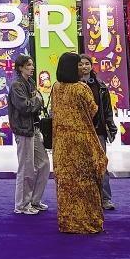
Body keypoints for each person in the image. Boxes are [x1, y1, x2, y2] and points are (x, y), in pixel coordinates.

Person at [51, 52, 107, 233]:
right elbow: (93, 110)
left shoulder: (56, 87)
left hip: (61, 144)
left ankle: (68, 222)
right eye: (78, 64)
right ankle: (88, 222)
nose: (82, 67)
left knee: (66, 184)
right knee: (86, 182)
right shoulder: (81, 88)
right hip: (81, 142)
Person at [7, 54, 49, 215]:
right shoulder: (16, 85)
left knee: (44, 164)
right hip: (23, 130)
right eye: (28, 65)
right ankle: (22, 205)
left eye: (32, 64)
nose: (32, 67)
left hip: (34, 128)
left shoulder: (30, 83)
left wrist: (37, 101)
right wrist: (37, 100)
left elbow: (36, 104)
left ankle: (35, 200)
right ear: (20, 68)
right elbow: (25, 107)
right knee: (26, 168)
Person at [78, 54, 118, 210]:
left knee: (101, 164)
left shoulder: (100, 85)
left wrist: (111, 127)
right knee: (82, 165)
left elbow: (107, 110)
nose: (84, 67)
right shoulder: (72, 85)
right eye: (80, 64)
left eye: (86, 63)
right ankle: (86, 199)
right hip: (80, 131)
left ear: (91, 65)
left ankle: (105, 198)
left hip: (98, 130)